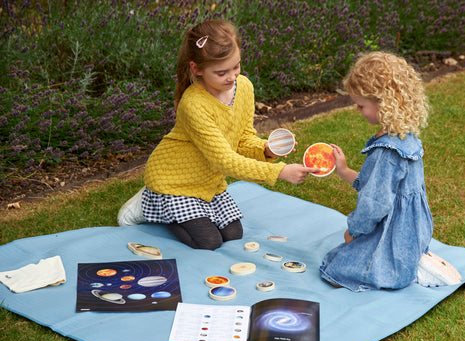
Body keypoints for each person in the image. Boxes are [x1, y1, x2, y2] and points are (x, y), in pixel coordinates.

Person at [117, 20, 318, 250]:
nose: (232, 77)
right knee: (208, 242)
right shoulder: (194, 104)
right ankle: (149, 203)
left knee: (233, 235)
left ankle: (171, 208)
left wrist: (265, 149)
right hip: (173, 181)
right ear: (197, 69)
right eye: (222, 72)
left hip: (208, 181)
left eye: (237, 66)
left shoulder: (244, 87)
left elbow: (243, 138)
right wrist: (279, 172)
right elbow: (225, 160)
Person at [320, 51, 460, 291]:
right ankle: (410, 261)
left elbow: (374, 204)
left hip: (392, 234)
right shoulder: (406, 137)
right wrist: (343, 170)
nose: (357, 110)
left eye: (361, 105)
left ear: (383, 104)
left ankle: (405, 270)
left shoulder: (386, 152)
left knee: (334, 269)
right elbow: (376, 186)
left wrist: (353, 232)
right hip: (414, 232)